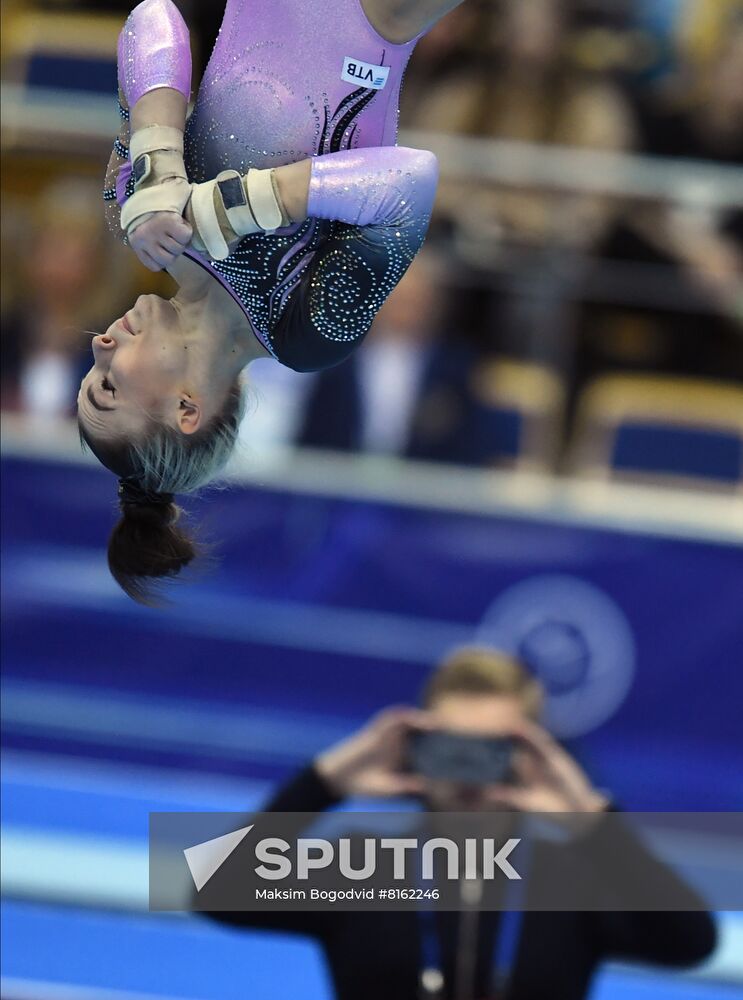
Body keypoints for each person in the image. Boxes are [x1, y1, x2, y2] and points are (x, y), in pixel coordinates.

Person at [77, 0, 466, 603]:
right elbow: (410, 182)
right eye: (108, 385)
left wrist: (157, 164)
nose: (100, 345)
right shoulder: (306, 331)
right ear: (186, 409)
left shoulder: (143, 224)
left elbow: (153, 18)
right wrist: (240, 204)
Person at [196, 647, 717, 1000]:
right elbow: (215, 890)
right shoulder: (363, 867)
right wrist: (325, 782)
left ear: (528, 756)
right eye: (452, 748)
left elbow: (690, 939)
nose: (468, 773)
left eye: (492, 750)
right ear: (418, 747)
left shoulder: (573, 881)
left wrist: (590, 820)